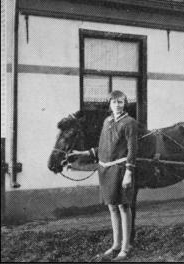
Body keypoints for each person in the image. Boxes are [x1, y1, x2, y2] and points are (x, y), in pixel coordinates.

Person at [70, 91, 139, 260]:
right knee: (112, 207)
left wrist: (129, 172)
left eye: (120, 102)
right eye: (114, 102)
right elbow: (103, 147)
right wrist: (83, 153)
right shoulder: (107, 121)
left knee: (123, 206)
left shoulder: (130, 122)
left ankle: (125, 248)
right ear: (109, 104)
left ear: (125, 103)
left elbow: (133, 149)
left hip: (120, 169)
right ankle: (116, 244)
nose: (117, 105)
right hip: (105, 170)